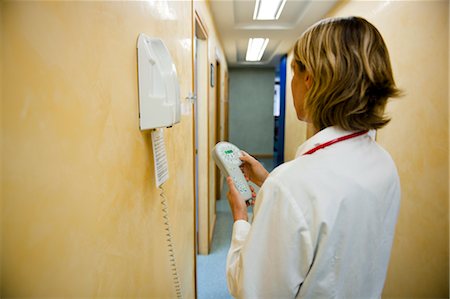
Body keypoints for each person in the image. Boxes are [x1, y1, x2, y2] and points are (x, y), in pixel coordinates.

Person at [225, 16, 401, 299]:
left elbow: (251, 290)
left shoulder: (292, 185)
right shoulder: (383, 164)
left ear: (308, 80)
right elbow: (330, 221)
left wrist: (240, 217)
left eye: (294, 71)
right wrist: (269, 182)